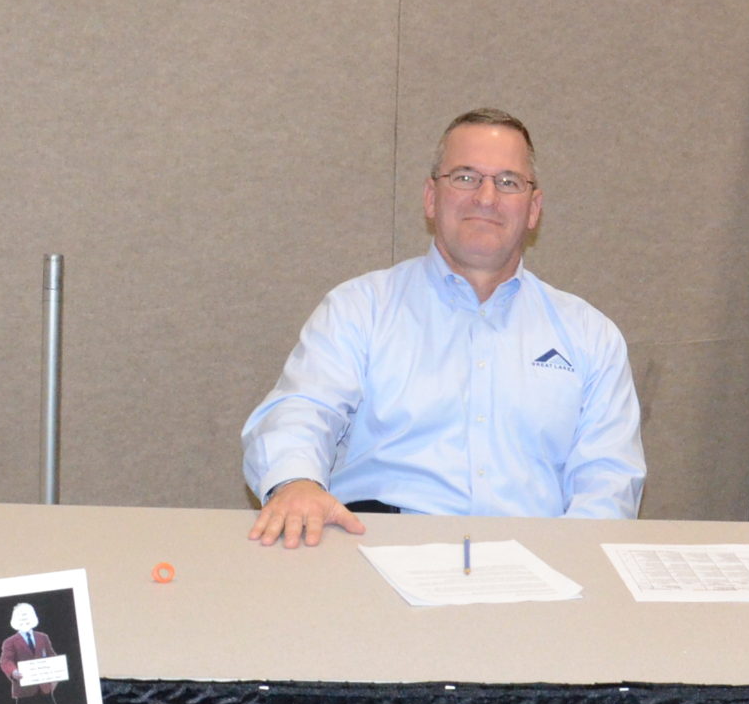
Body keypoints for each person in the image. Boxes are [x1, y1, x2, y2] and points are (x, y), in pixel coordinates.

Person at [243, 108, 646, 546]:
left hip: (537, 561)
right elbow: (301, 410)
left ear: (534, 209)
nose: (486, 197)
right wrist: (297, 483)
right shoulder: (360, 309)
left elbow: (608, 482)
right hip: (376, 553)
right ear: (431, 198)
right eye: (465, 177)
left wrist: (571, 562)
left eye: (508, 182)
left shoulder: (590, 336)